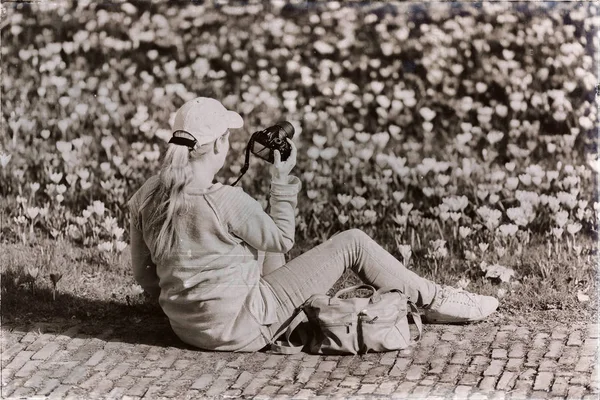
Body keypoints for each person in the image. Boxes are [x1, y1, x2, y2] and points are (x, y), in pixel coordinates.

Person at [127, 97, 499, 352]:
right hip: (242, 328)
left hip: (188, 328)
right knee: (352, 241)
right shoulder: (225, 200)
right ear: (221, 145)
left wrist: (189, 304)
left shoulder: (147, 194)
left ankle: (290, 310)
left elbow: (145, 277)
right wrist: (281, 180)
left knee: (253, 247)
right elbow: (282, 237)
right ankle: (436, 299)